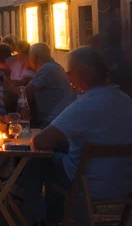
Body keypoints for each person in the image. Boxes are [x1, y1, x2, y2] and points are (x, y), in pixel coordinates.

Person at [30, 47, 132, 224]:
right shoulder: (126, 100)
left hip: (87, 185)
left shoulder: (85, 104)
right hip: (124, 184)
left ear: (86, 72)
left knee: (45, 159)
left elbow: (39, 141)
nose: (68, 77)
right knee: (61, 150)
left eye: (70, 72)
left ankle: (46, 218)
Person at [25, 43, 74, 128]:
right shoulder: (55, 66)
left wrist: (7, 85)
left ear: (34, 57)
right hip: (58, 117)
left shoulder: (47, 68)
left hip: (51, 121)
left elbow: (26, 92)